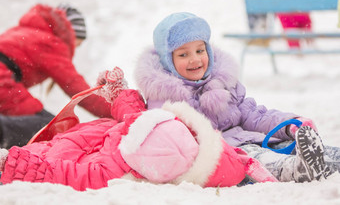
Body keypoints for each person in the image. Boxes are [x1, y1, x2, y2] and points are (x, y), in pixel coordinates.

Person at [134, 12, 340, 183]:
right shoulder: (164, 101)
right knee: (260, 159)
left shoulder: (222, 83)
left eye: (200, 50)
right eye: (183, 55)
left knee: (285, 146)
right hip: (227, 156)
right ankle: (297, 171)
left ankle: (329, 160)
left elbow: (254, 114)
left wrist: (289, 125)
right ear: (167, 60)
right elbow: (180, 145)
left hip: (253, 140)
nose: (195, 59)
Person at [0, 68, 278, 191]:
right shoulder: (198, 152)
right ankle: (291, 164)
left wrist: (9, 163)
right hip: (69, 137)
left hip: (48, 148)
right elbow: (241, 161)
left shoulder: (111, 169)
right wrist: (116, 90)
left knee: (29, 137)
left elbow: (58, 173)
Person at [0, 3, 111, 149]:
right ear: (72, 35)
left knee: (39, 126)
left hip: (5, 82)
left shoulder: (28, 31)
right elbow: (77, 88)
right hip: (3, 82)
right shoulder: (52, 43)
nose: (75, 50)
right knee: (53, 129)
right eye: (77, 45)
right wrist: (116, 109)